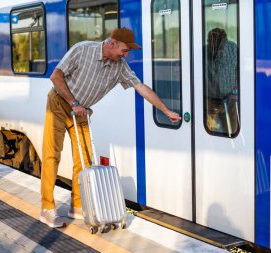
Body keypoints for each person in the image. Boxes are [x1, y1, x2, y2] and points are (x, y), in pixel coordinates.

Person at [40, 27, 182, 228]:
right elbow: (56, 76)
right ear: (112, 43)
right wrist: (73, 102)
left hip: (82, 110)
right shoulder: (82, 50)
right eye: (124, 50)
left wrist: (165, 111)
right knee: (51, 154)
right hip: (60, 102)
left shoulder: (120, 66)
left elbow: (140, 88)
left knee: (84, 158)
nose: (126, 55)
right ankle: (47, 208)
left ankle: (77, 206)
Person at [205, 27, 239, 135]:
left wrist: (234, 92)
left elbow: (239, 71)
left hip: (226, 95)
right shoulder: (205, 50)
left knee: (230, 128)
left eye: (216, 40)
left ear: (224, 39)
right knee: (210, 128)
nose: (213, 44)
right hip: (213, 96)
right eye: (211, 41)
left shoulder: (232, 49)